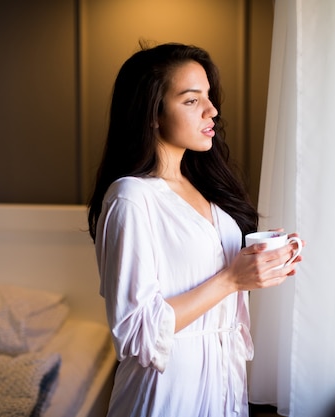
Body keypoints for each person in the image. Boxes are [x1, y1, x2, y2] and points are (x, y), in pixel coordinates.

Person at [87, 42, 304, 417]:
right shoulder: (131, 198)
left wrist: (261, 263)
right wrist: (233, 279)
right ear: (152, 113)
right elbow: (136, 332)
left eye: (208, 96)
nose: (212, 110)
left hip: (224, 381)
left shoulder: (206, 190)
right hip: (167, 391)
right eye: (191, 100)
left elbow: (217, 279)